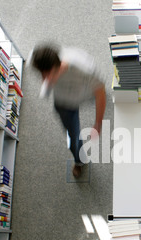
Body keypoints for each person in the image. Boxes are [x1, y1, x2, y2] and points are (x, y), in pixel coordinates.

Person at [30, 44, 106, 178]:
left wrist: (98, 124)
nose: (44, 80)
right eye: (42, 75)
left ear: (57, 67)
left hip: (84, 93)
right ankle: (80, 160)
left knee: (97, 91)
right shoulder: (37, 59)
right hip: (64, 104)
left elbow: (100, 93)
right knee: (73, 136)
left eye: (47, 75)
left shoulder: (84, 69)